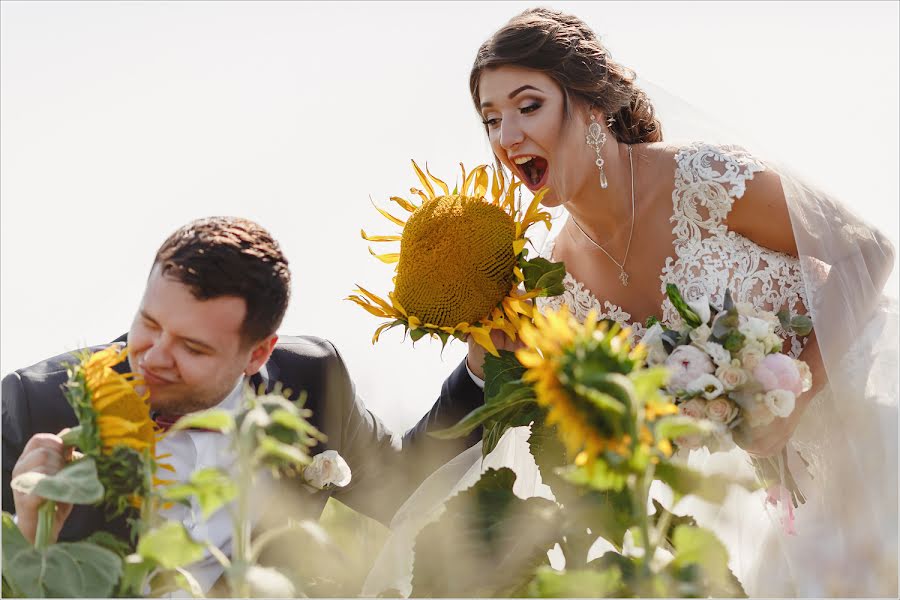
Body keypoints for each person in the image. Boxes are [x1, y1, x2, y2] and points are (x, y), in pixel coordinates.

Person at [367, 8, 898, 598]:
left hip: (867, 419)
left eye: (528, 106)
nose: (507, 137)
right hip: (772, 497)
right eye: (491, 119)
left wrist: (796, 395)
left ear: (592, 104)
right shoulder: (556, 282)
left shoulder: (702, 180)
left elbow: (868, 251)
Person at [2, 216, 485, 593]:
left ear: (258, 354)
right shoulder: (36, 404)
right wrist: (27, 533)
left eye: (192, 348)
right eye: (148, 323)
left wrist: (481, 372)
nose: (153, 357)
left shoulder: (313, 378)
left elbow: (405, 486)